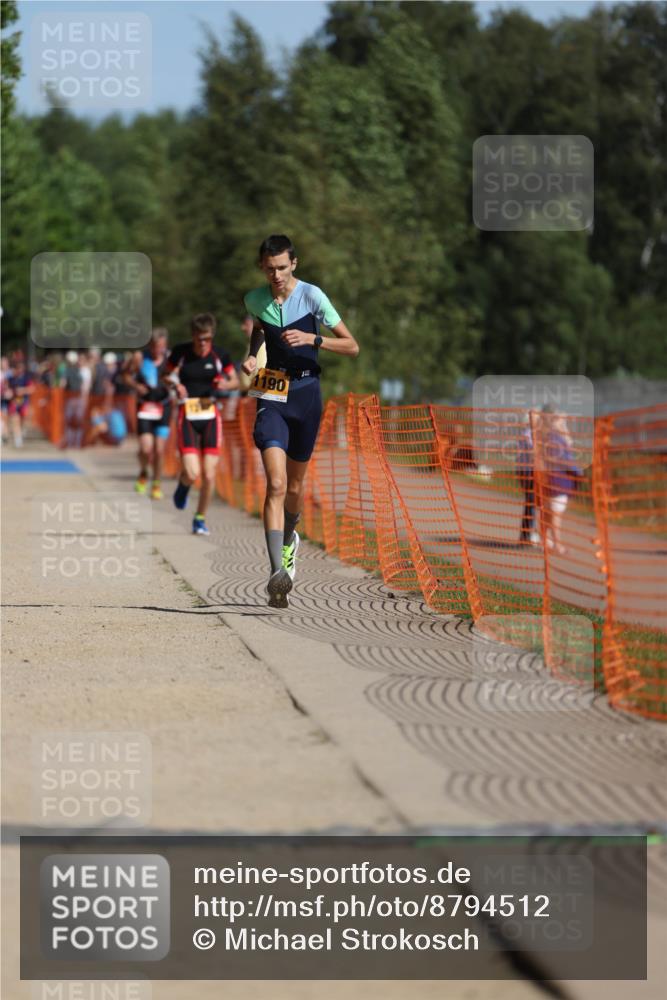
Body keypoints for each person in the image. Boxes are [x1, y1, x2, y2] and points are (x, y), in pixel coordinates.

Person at [242, 234, 359, 607]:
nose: (276, 275)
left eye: (282, 267)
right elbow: (259, 332)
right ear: (262, 266)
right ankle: (277, 572)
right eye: (269, 268)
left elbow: (352, 346)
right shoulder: (255, 300)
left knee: (294, 487)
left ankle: (290, 538)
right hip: (271, 389)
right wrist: (251, 355)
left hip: (307, 393)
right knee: (274, 483)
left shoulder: (313, 296)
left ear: (294, 263)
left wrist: (314, 338)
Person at [164, 313, 239, 535]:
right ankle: (184, 485)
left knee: (208, 474)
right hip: (187, 413)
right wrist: (175, 384)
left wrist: (224, 385)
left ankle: (199, 518)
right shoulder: (181, 352)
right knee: (192, 472)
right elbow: (166, 375)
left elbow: (235, 380)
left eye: (207, 338)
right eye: (199, 339)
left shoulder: (220, 355)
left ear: (212, 336)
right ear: (193, 336)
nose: (203, 343)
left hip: (210, 415)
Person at [123, 330, 171, 499]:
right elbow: (125, 375)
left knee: (159, 449)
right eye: (155, 347)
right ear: (150, 345)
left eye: (161, 347)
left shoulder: (170, 359)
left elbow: (179, 376)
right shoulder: (140, 358)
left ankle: (156, 483)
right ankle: (144, 472)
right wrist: (136, 386)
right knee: (145, 448)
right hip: (144, 407)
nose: (158, 350)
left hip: (164, 406)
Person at [538, 407, 582, 555]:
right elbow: (558, 458)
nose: (564, 423)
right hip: (557, 481)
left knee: (549, 513)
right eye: (561, 420)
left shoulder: (554, 437)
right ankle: (557, 545)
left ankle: (544, 540)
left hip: (554, 480)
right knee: (555, 514)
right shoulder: (554, 438)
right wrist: (574, 468)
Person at [516, 416, 539, 545]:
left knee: (532, 503)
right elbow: (533, 452)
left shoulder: (531, 434)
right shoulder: (527, 434)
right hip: (528, 472)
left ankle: (527, 534)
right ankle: (527, 534)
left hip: (529, 471)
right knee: (531, 502)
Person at [6, 357, 35, 447]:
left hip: (24, 402)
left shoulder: (26, 378)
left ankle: (22, 431)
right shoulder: (11, 379)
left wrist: (22, 390)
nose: (19, 370)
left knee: (23, 420)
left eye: (20, 368)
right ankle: (18, 439)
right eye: (17, 368)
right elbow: (8, 389)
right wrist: (9, 393)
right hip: (14, 403)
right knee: (15, 420)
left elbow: (32, 389)